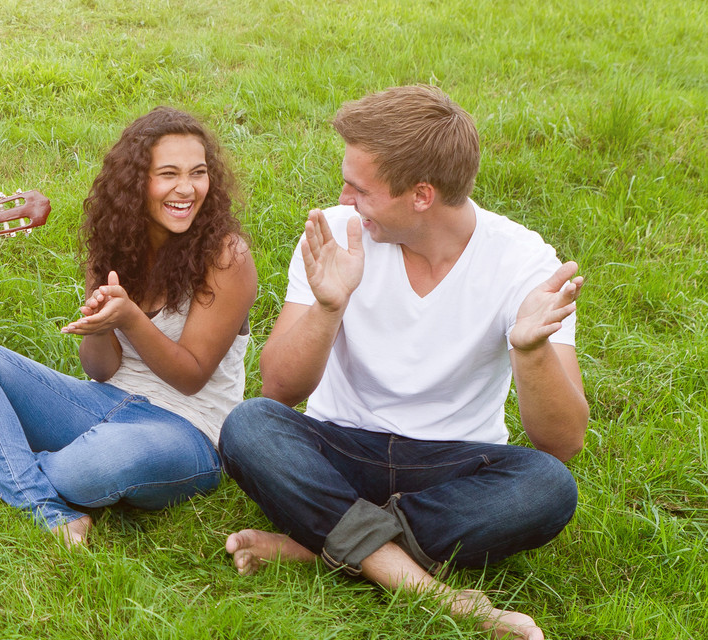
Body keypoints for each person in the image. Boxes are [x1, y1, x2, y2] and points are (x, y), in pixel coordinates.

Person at [219, 85, 585, 639]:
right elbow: (279, 388)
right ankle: (430, 589)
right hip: (339, 445)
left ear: (421, 195)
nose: (344, 197)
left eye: (359, 188)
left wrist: (529, 350)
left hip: (450, 466)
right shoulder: (339, 235)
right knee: (249, 426)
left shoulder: (523, 262)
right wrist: (328, 306)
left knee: (548, 486)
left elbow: (562, 443)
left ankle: (318, 545)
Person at [0, 108, 255, 545]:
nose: (186, 188)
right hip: (102, 400)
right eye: (168, 174)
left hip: (186, 432)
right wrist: (100, 325)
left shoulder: (226, 256)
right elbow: (100, 371)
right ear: (136, 181)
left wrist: (130, 318)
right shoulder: (115, 242)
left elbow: (192, 375)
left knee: (94, 467)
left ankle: (5, 457)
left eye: (198, 173)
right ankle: (42, 499)